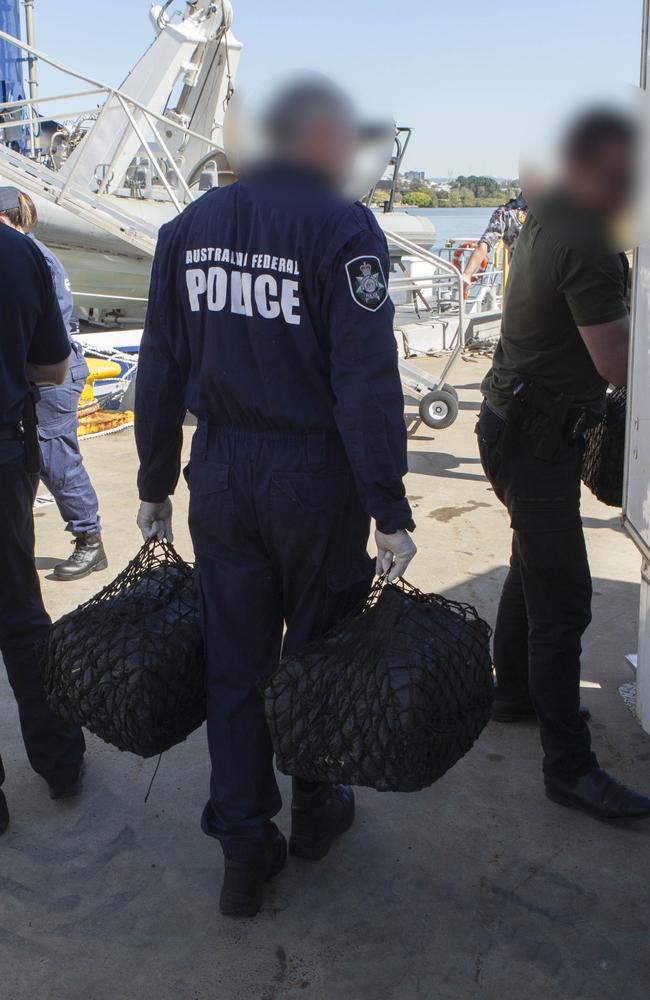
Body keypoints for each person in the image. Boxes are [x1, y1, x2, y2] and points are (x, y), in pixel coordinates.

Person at [135, 77, 417, 916]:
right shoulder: (343, 229)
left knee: (236, 662)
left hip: (222, 474)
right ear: (321, 141)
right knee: (320, 654)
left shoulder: (189, 227)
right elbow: (365, 382)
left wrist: (154, 481)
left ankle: (243, 847)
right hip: (311, 478)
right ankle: (318, 806)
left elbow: (160, 370)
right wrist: (390, 505)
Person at [476, 108, 650, 820]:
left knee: (532, 561)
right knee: (565, 600)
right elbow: (618, 363)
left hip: (514, 425)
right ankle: (568, 768)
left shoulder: (555, 206)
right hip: (536, 440)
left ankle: (512, 694)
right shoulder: (585, 233)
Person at [0, 195, 86, 835]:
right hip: (3, 452)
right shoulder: (22, 253)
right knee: (21, 613)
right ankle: (59, 763)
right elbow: (53, 370)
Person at [0, 188, 107, 582]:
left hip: (51, 375)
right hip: (36, 372)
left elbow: (51, 331)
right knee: (28, 458)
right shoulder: (28, 253)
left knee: (53, 456)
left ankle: (89, 539)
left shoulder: (31, 257)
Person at [462, 191, 528, 288]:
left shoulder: (552, 208)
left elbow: (485, 243)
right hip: (525, 280)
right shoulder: (506, 213)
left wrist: (467, 274)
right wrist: (467, 274)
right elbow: (485, 243)